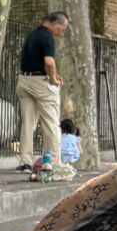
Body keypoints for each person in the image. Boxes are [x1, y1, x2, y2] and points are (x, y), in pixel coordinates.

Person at [16, 12, 69, 169]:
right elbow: (49, 62)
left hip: (24, 81)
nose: (61, 33)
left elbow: (36, 61)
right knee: (51, 123)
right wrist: (53, 78)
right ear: (54, 24)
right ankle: (53, 162)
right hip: (40, 84)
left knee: (28, 124)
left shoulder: (32, 35)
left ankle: (25, 162)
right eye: (62, 29)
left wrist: (52, 74)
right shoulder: (47, 37)